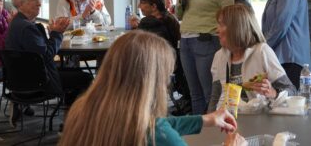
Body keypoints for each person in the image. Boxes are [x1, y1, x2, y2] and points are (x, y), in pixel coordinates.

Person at [59, 31, 240, 146]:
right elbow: (157, 129)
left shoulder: (82, 110)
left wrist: (204, 120)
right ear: (152, 82)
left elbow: (158, 124)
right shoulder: (156, 135)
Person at [5, 0, 93, 126]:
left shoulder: (17, 23)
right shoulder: (27, 28)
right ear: (21, 4)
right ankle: (73, 124)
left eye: (39, 0)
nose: (40, 4)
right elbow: (47, 55)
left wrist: (52, 34)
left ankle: (70, 119)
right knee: (85, 77)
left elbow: (39, 52)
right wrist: (57, 33)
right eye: (35, 1)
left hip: (19, 79)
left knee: (71, 71)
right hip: (36, 82)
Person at [177, 0, 235, 114]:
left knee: (210, 92)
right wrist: (181, 0)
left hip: (207, 41)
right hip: (186, 41)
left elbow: (230, 16)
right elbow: (180, 15)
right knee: (194, 93)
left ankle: (212, 132)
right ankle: (198, 132)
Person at [208, 5, 296, 112]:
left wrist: (273, 93)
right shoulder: (219, 56)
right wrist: (209, 126)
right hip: (229, 123)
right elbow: (215, 98)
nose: (217, 30)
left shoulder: (262, 52)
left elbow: (291, 91)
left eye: (221, 25)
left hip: (260, 121)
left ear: (235, 28)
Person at [130, 0, 191, 114]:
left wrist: (134, 29)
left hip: (150, 67)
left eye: (142, 3)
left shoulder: (147, 22)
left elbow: (138, 45)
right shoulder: (171, 19)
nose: (138, 6)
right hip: (173, 65)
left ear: (153, 6)